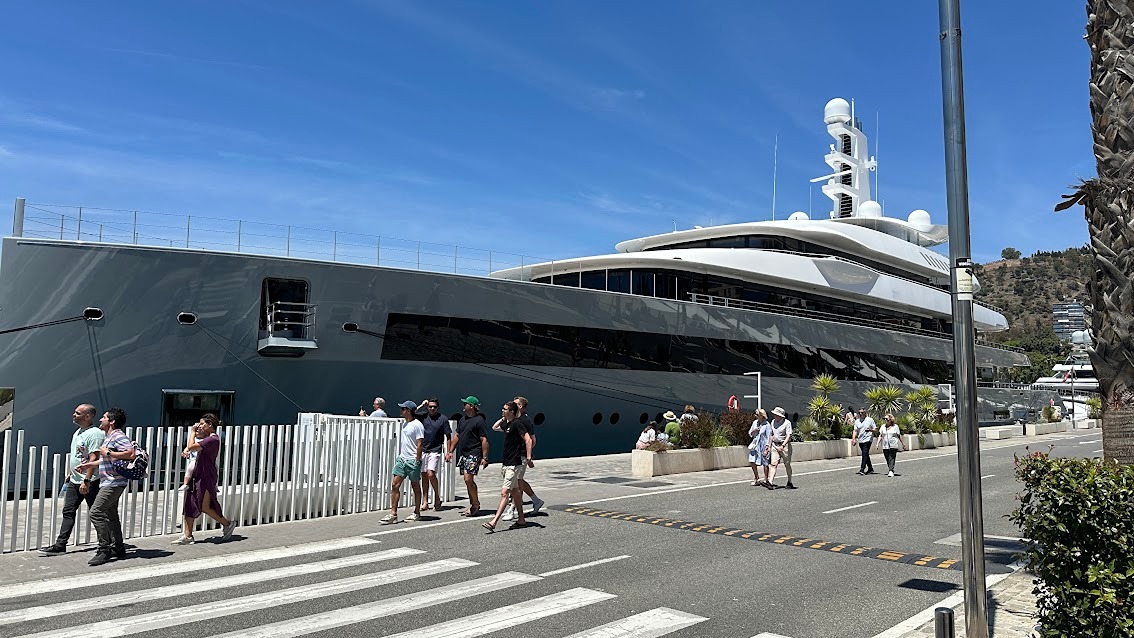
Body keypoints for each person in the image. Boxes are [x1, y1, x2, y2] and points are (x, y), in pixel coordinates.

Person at [39, 404, 103, 556]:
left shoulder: (95, 434)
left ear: (87, 416)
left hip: (90, 481)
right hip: (75, 480)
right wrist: (71, 472)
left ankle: (106, 544)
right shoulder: (78, 432)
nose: (74, 415)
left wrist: (86, 480)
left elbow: (94, 458)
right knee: (68, 511)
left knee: (96, 513)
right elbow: (78, 456)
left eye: (78, 413)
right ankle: (61, 545)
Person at [73, 407, 132, 566]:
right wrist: (89, 465)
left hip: (114, 482)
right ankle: (118, 548)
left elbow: (130, 454)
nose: (100, 420)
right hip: (109, 481)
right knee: (110, 514)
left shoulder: (118, 436)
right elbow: (106, 459)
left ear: (111, 421)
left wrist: (107, 453)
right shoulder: (109, 437)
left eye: (104, 417)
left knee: (96, 512)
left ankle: (104, 549)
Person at [172, 414, 236, 544]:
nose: (200, 426)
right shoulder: (206, 439)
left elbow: (192, 446)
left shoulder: (213, 440)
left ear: (210, 425)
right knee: (189, 503)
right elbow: (192, 448)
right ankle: (188, 535)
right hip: (197, 474)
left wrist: (192, 432)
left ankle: (227, 524)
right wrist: (187, 450)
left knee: (204, 506)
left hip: (206, 476)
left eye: (202, 424)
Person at [483, 401, 533, 533]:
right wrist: (504, 418)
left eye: (505, 409)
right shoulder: (509, 424)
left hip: (514, 464)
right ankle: (521, 520)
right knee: (515, 492)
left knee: (504, 493)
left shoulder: (517, 424)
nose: (502, 410)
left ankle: (494, 522)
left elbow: (528, 439)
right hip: (506, 463)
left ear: (512, 411)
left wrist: (528, 457)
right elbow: (494, 427)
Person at [496, 396, 544, 521]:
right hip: (512, 456)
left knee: (516, 482)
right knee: (518, 482)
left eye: (515, 404)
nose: (512, 404)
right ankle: (535, 500)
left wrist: (528, 455)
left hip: (520, 456)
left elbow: (532, 439)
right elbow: (495, 428)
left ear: (520, 406)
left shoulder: (524, 420)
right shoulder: (513, 420)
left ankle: (512, 509)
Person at [379, 401, 424, 525]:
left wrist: (417, 459)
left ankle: (417, 512)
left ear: (408, 411)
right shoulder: (405, 424)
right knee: (395, 485)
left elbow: (420, 443)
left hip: (412, 460)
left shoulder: (417, 425)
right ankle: (393, 513)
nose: (401, 411)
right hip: (402, 459)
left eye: (403, 409)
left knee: (415, 486)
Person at [448, 396, 489, 516]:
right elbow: (457, 436)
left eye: (465, 404)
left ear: (471, 406)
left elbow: (484, 439)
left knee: (468, 479)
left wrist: (485, 457)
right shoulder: (463, 420)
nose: (463, 405)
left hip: (474, 453)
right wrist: (450, 451)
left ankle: (475, 504)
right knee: (468, 481)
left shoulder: (479, 421)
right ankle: (473, 504)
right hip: (464, 453)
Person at [417, 397, 452, 511]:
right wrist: (422, 405)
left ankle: (437, 496)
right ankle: (425, 501)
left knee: (430, 473)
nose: (432, 409)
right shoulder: (423, 416)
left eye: (434, 407)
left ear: (438, 407)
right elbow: (410, 413)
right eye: (430, 406)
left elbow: (448, 436)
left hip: (435, 449)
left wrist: (448, 452)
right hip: (423, 449)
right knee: (424, 475)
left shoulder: (443, 419)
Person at [765, 406, 795, 490]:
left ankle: (789, 481)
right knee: (773, 464)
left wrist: (783, 445)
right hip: (775, 445)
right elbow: (771, 434)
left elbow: (789, 435)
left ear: (781, 416)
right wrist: (769, 445)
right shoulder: (773, 422)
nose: (775, 416)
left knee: (787, 464)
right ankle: (770, 482)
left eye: (776, 415)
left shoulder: (787, 423)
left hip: (784, 446)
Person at [748, 409, 772, 486]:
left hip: (763, 445)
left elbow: (769, 436)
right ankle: (756, 478)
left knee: (765, 462)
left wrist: (768, 447)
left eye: (757, 414)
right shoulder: (754, 423)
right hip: (755, 444)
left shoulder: (767, 425)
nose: (755, 416)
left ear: (762, 415)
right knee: (752, 461)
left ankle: (766, 479)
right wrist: (754, 431)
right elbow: (750, 433)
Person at [852, 407, 877, 475]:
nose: (860, 414)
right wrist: (853, 439)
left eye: (862, 412)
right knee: (865, 454)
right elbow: (855, 430)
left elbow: (875, 429)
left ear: (865, 412)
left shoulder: (870, 420)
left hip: (868, 439)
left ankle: (862, 469)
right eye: (859, 413)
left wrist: (870, 430)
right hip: (861, 440)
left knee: (864, 454)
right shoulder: (857, 421)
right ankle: (870, 468)